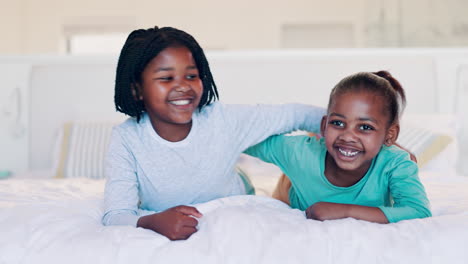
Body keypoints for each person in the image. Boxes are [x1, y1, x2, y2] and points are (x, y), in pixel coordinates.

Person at [102, 26, 325, 240]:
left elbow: (293, 115)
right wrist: (152, 221)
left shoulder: (221, 119)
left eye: (191, 76)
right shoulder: (126, 139)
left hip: (236, 193)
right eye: (166, 78)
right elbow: (116, 214)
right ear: (136, 89)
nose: (183, 86)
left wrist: (341, 126)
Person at [245, 71, 432, 223]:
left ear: (390, 135)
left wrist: (344, 211)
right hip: (292, 184)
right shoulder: (300, 153)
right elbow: (242, 138)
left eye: (365, 127)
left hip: (370, 148)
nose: (349, 135)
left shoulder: (396, 163)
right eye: (338, 123)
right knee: (302, 162)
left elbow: (418, 210)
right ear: (324, 124)